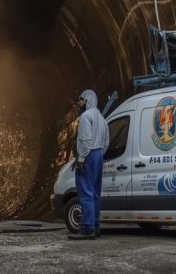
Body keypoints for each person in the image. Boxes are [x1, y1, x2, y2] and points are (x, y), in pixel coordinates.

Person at [69, 89, 109, 240]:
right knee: (95, 193)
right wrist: (99, 154)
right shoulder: (101, 118)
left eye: (81, 100)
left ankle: (87, 228)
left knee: (85, 192)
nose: (79, 103)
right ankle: (95, 225)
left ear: (87, 100)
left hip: (89, 154)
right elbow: (106, 141)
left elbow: (85, 140)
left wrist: (81, 158)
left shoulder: (86, 116)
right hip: (98, 154)